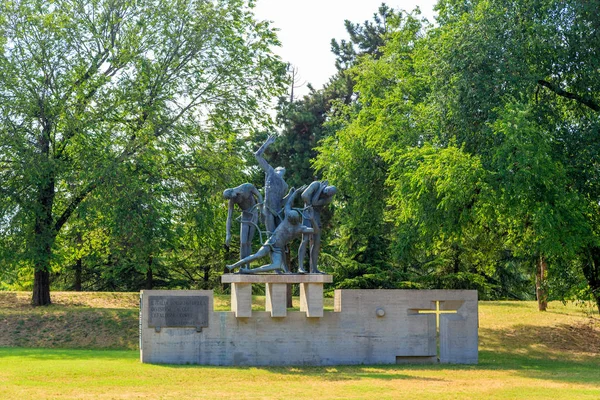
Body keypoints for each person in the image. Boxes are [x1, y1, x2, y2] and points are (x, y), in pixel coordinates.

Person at [226, 187, 314, 274]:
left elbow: (314, 230)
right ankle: (235, 266)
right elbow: (288, 203)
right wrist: (295, 193)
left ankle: (248, 270)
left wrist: (312, 218)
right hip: (270, 241)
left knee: (273, 264)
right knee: (251, 249)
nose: (291, 219)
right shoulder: (288, 217)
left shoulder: (300, 228)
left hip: (277, 248)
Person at [298, 181, 337, 274]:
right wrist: (319, 190)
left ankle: (314, 269)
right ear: (327, 187)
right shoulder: (316, 185)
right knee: (305, 240)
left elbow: (314, 202)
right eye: (326, 191)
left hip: (316, 218)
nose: (325, 194)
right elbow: (304, 196)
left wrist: (319, 191)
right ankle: (300, 267)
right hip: (307, 215)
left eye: (328, 194)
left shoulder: (329, 198)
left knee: (317, 242)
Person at [255, 135, 288, 234]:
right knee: (270, 235)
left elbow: (281, 201)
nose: (282, 171)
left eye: (284, 171)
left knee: (279, 236)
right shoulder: (271, 172)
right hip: (268, 209)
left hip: (278, 211)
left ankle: (280, 250)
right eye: (280, 169)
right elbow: (257, 155)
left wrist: (291, 195)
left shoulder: (285, 185)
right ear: (276, 169)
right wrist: (267, 143)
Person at [223, 183, 263, 266]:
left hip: (253, 214)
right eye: (229, 198)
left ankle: (247, 266)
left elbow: (259, 195)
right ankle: (242, 266)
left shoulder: (247, 187)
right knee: (243, 242)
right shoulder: (232, 199)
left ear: (233, 191)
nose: (231, 199)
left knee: (248, 242)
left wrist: (262, 211)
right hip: (244, 216)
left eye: (231, 197)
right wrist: (228, 234)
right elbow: (229, 217)